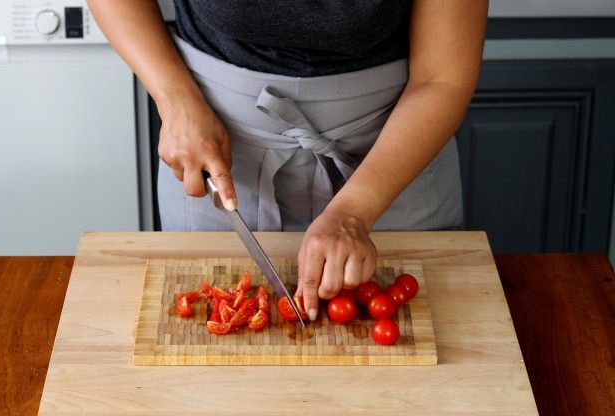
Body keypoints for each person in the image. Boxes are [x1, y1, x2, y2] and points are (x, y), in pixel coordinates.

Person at [88, 1, 488, 321]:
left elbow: (443, 78)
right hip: (216, 156)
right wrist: (174, 98)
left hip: (395, 162)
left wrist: (354, 211)